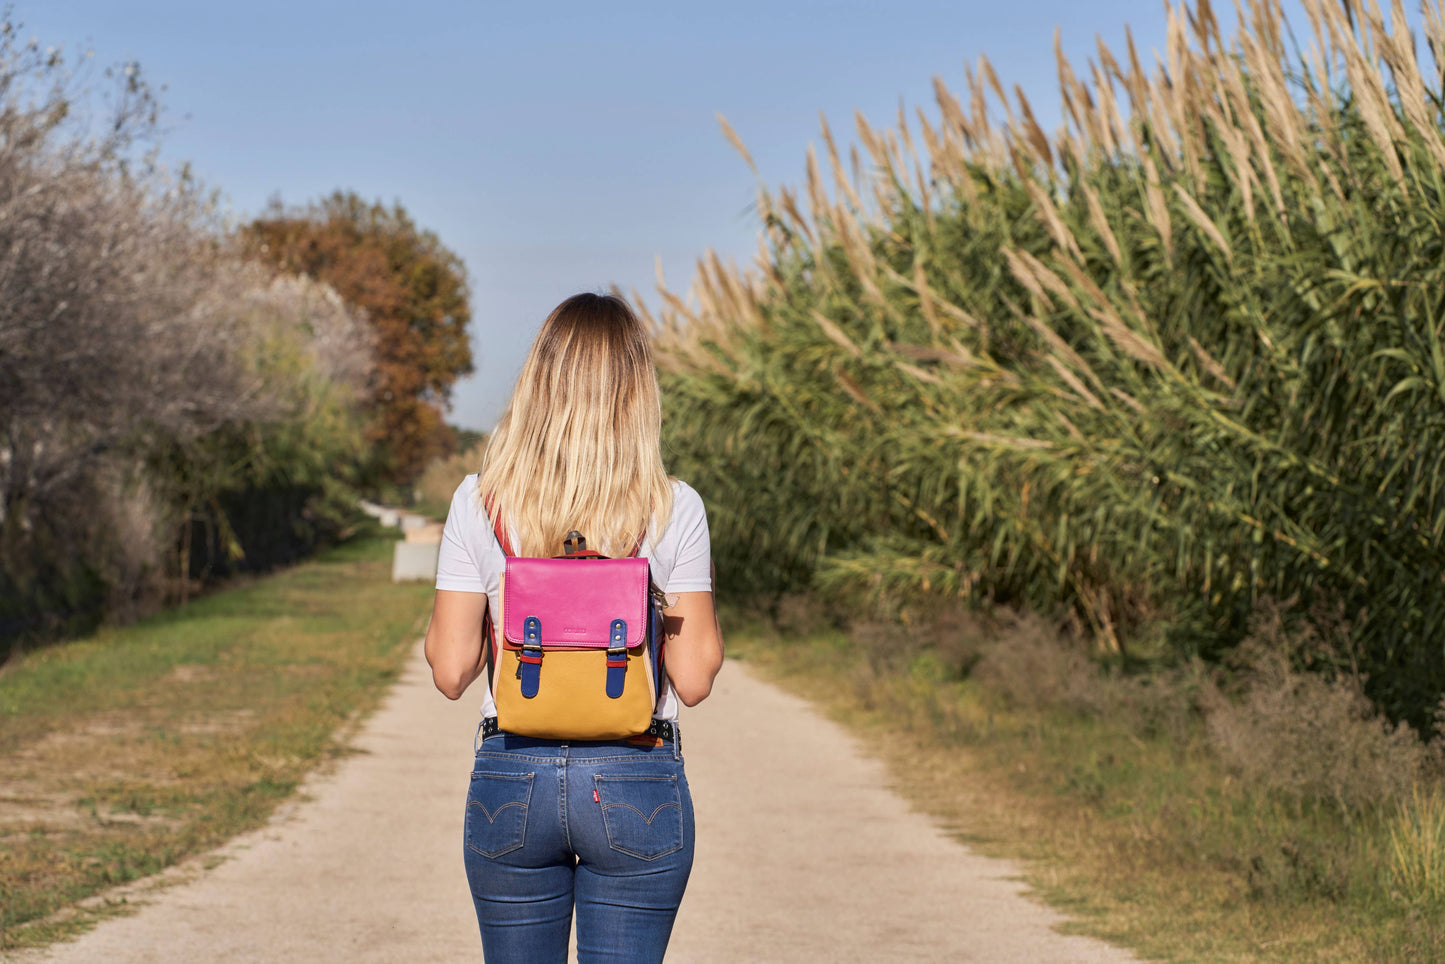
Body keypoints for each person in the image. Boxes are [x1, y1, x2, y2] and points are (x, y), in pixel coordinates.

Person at [422, 292, 725, 963]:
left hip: (512, 778)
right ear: (636, 391)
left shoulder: (480, 502)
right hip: (635, 777)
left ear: (537, 381)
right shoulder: (673, 507)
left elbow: (448, 670)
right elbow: (695, 678)